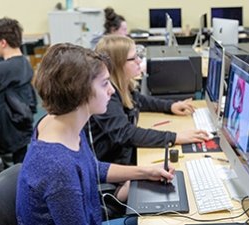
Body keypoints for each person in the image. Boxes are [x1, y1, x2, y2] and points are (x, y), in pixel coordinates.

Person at [16, 43, 174, 224]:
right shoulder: (58, 167)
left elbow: (91, 166)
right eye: (105, 83)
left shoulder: (59, 122)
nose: (112, 90)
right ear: (79, 91)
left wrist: (144, 172)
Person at [89, 35, 210, 165]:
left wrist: (170, 106)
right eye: (133, 58)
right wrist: (175, 137)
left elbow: (140, 100)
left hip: (124, 155)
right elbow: (126, 134)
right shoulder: (107, 96)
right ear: (118, 64)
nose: (139, 61)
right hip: (114, 164)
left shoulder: (122, 85)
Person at [0, 17, 37, 164]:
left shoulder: (2, 70)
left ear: (3, 42)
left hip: (4, 135)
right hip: (20, 132)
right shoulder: (23, 63)